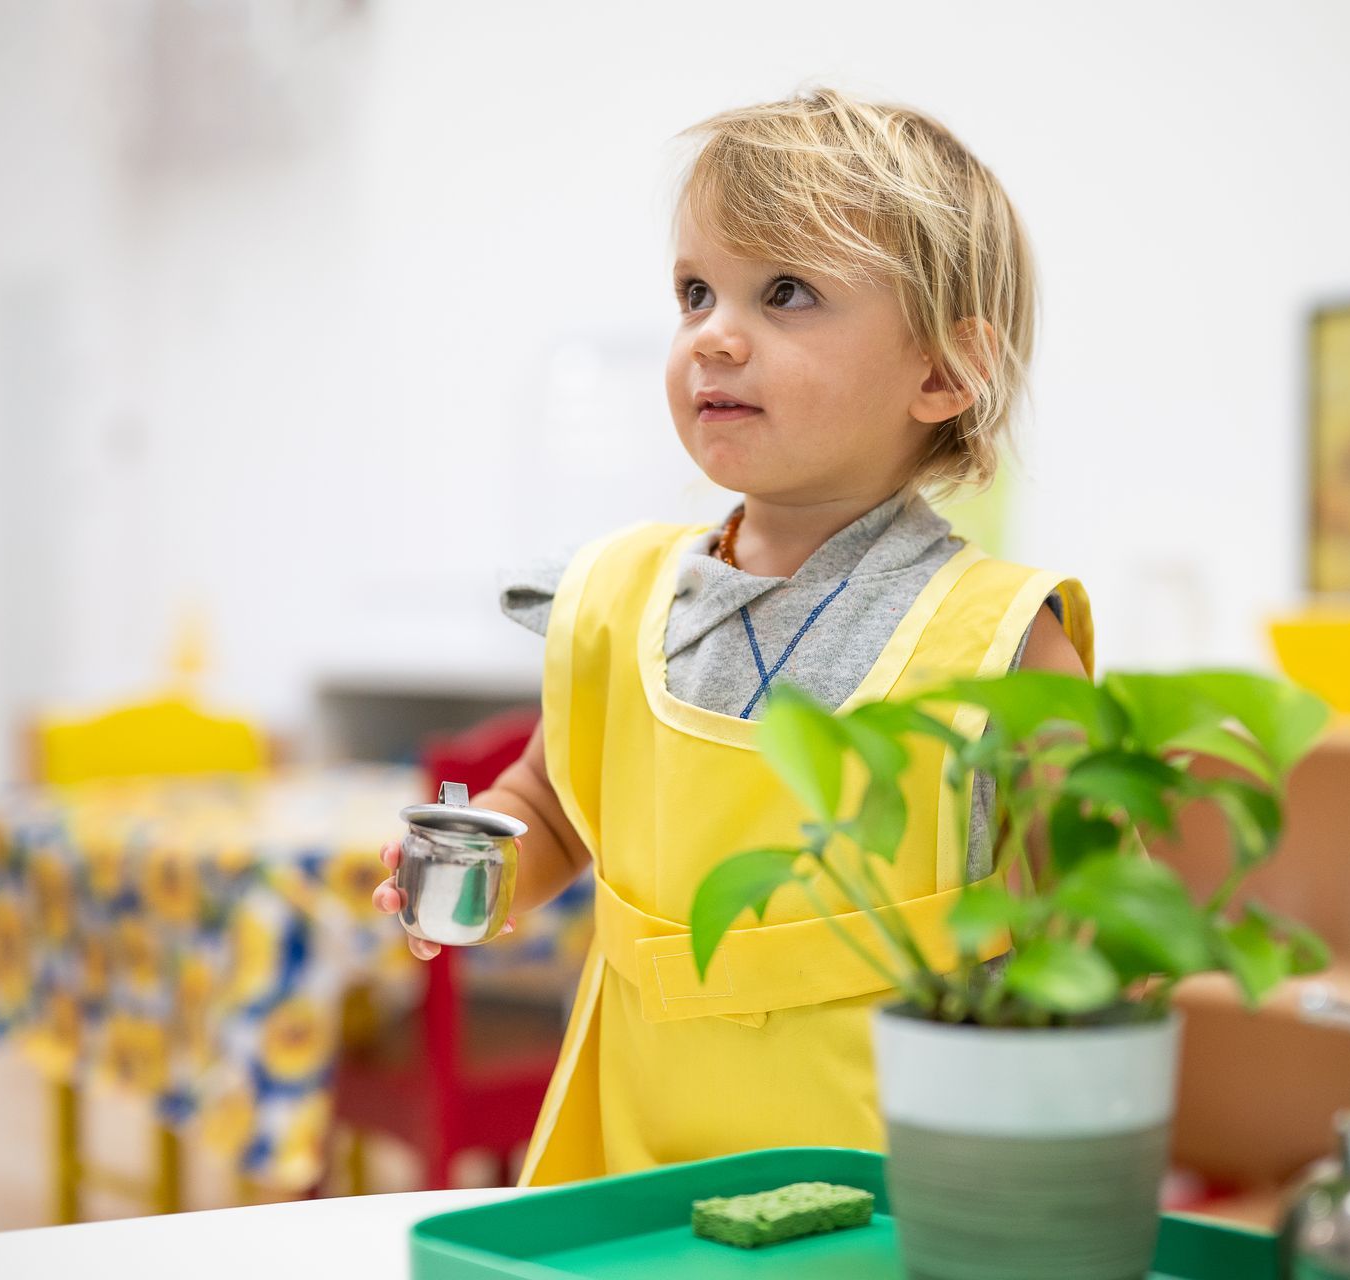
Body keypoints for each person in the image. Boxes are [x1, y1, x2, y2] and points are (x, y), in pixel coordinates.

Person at [373, 86, 1092, 1187]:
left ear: (944, 372)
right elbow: (553, 800)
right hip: (635, 1160)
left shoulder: (1001, 638)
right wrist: (485, 869)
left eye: (787, 292)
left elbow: (1093, 931)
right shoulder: (620, 592)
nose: (713, 332)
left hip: (904, 1190)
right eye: (695, 291)